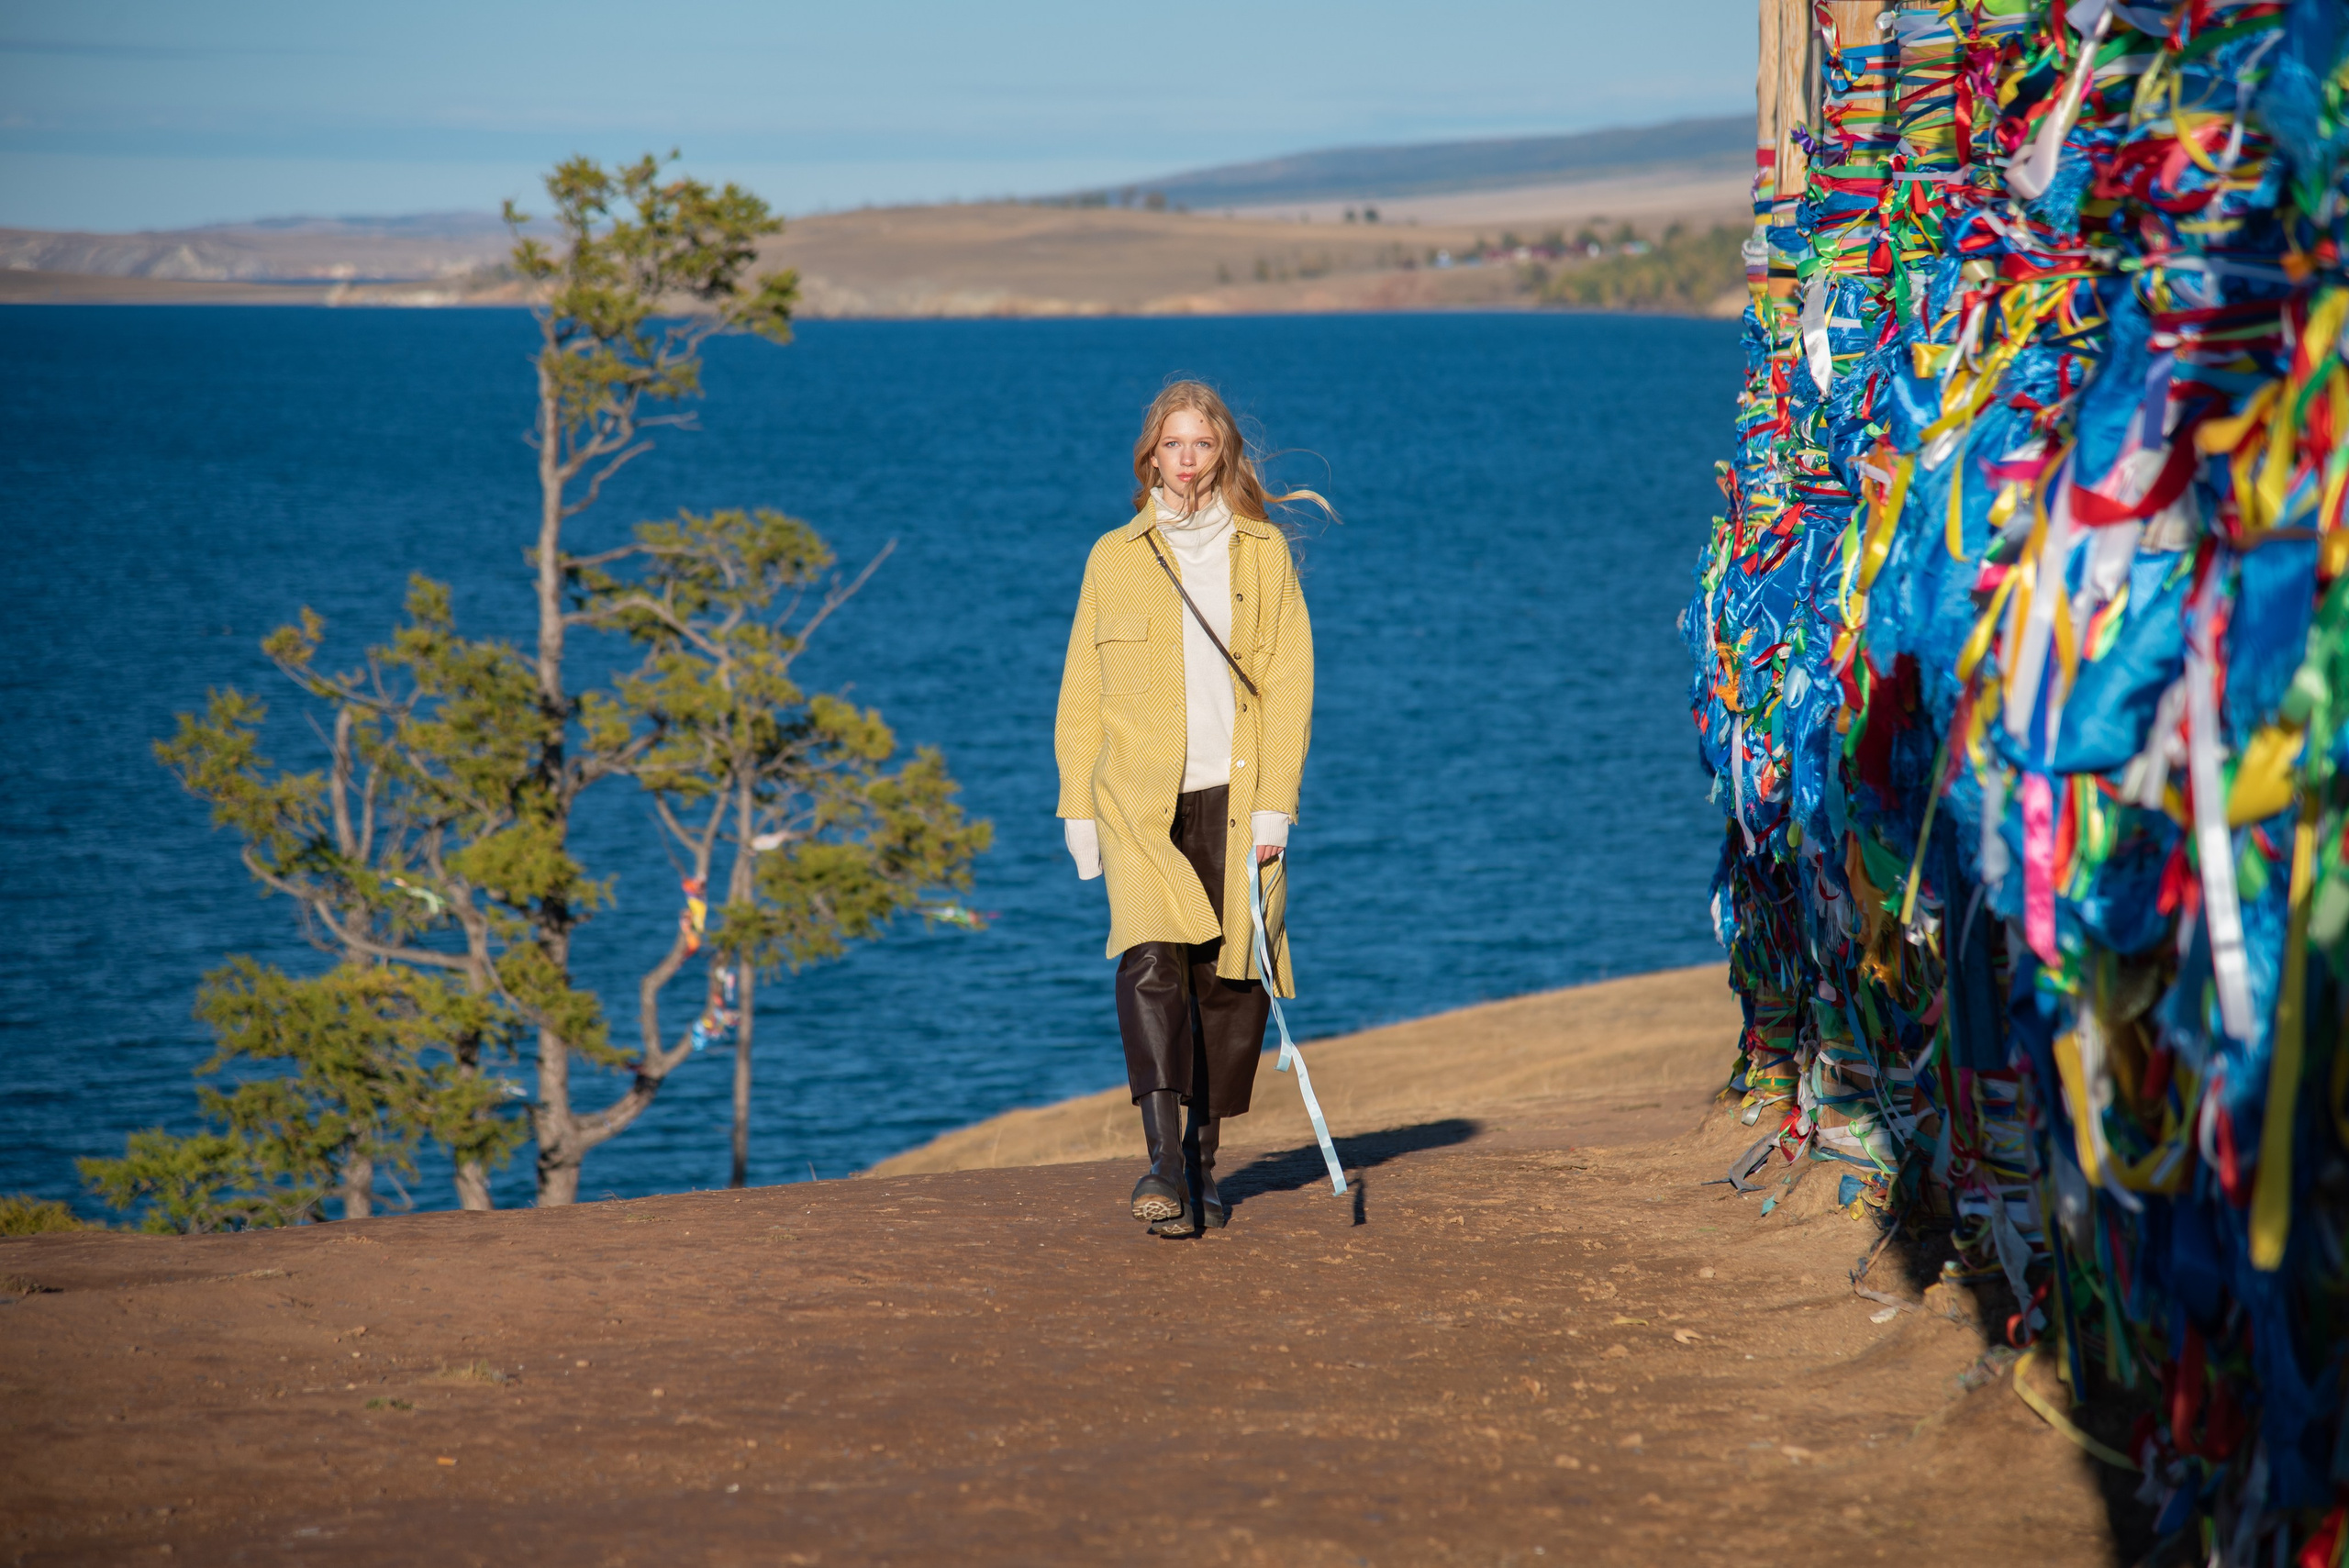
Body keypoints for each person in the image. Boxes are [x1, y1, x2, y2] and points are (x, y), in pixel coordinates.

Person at [1054, 380, 1324, 1238]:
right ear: (1151, 456)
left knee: (1227, 982)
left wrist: (1276, 806)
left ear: (1223, 454)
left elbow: (1290, 684)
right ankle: (1163, 1162)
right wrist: (1078, 810)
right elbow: (1080, 693)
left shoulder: (1263, 553)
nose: (1186, 461)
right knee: (1148, 963)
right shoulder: (1113, 557)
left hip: (1238, 799)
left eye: (1201, 445)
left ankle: (1205, 1163)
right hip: (1136, 798)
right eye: (1172, 445)